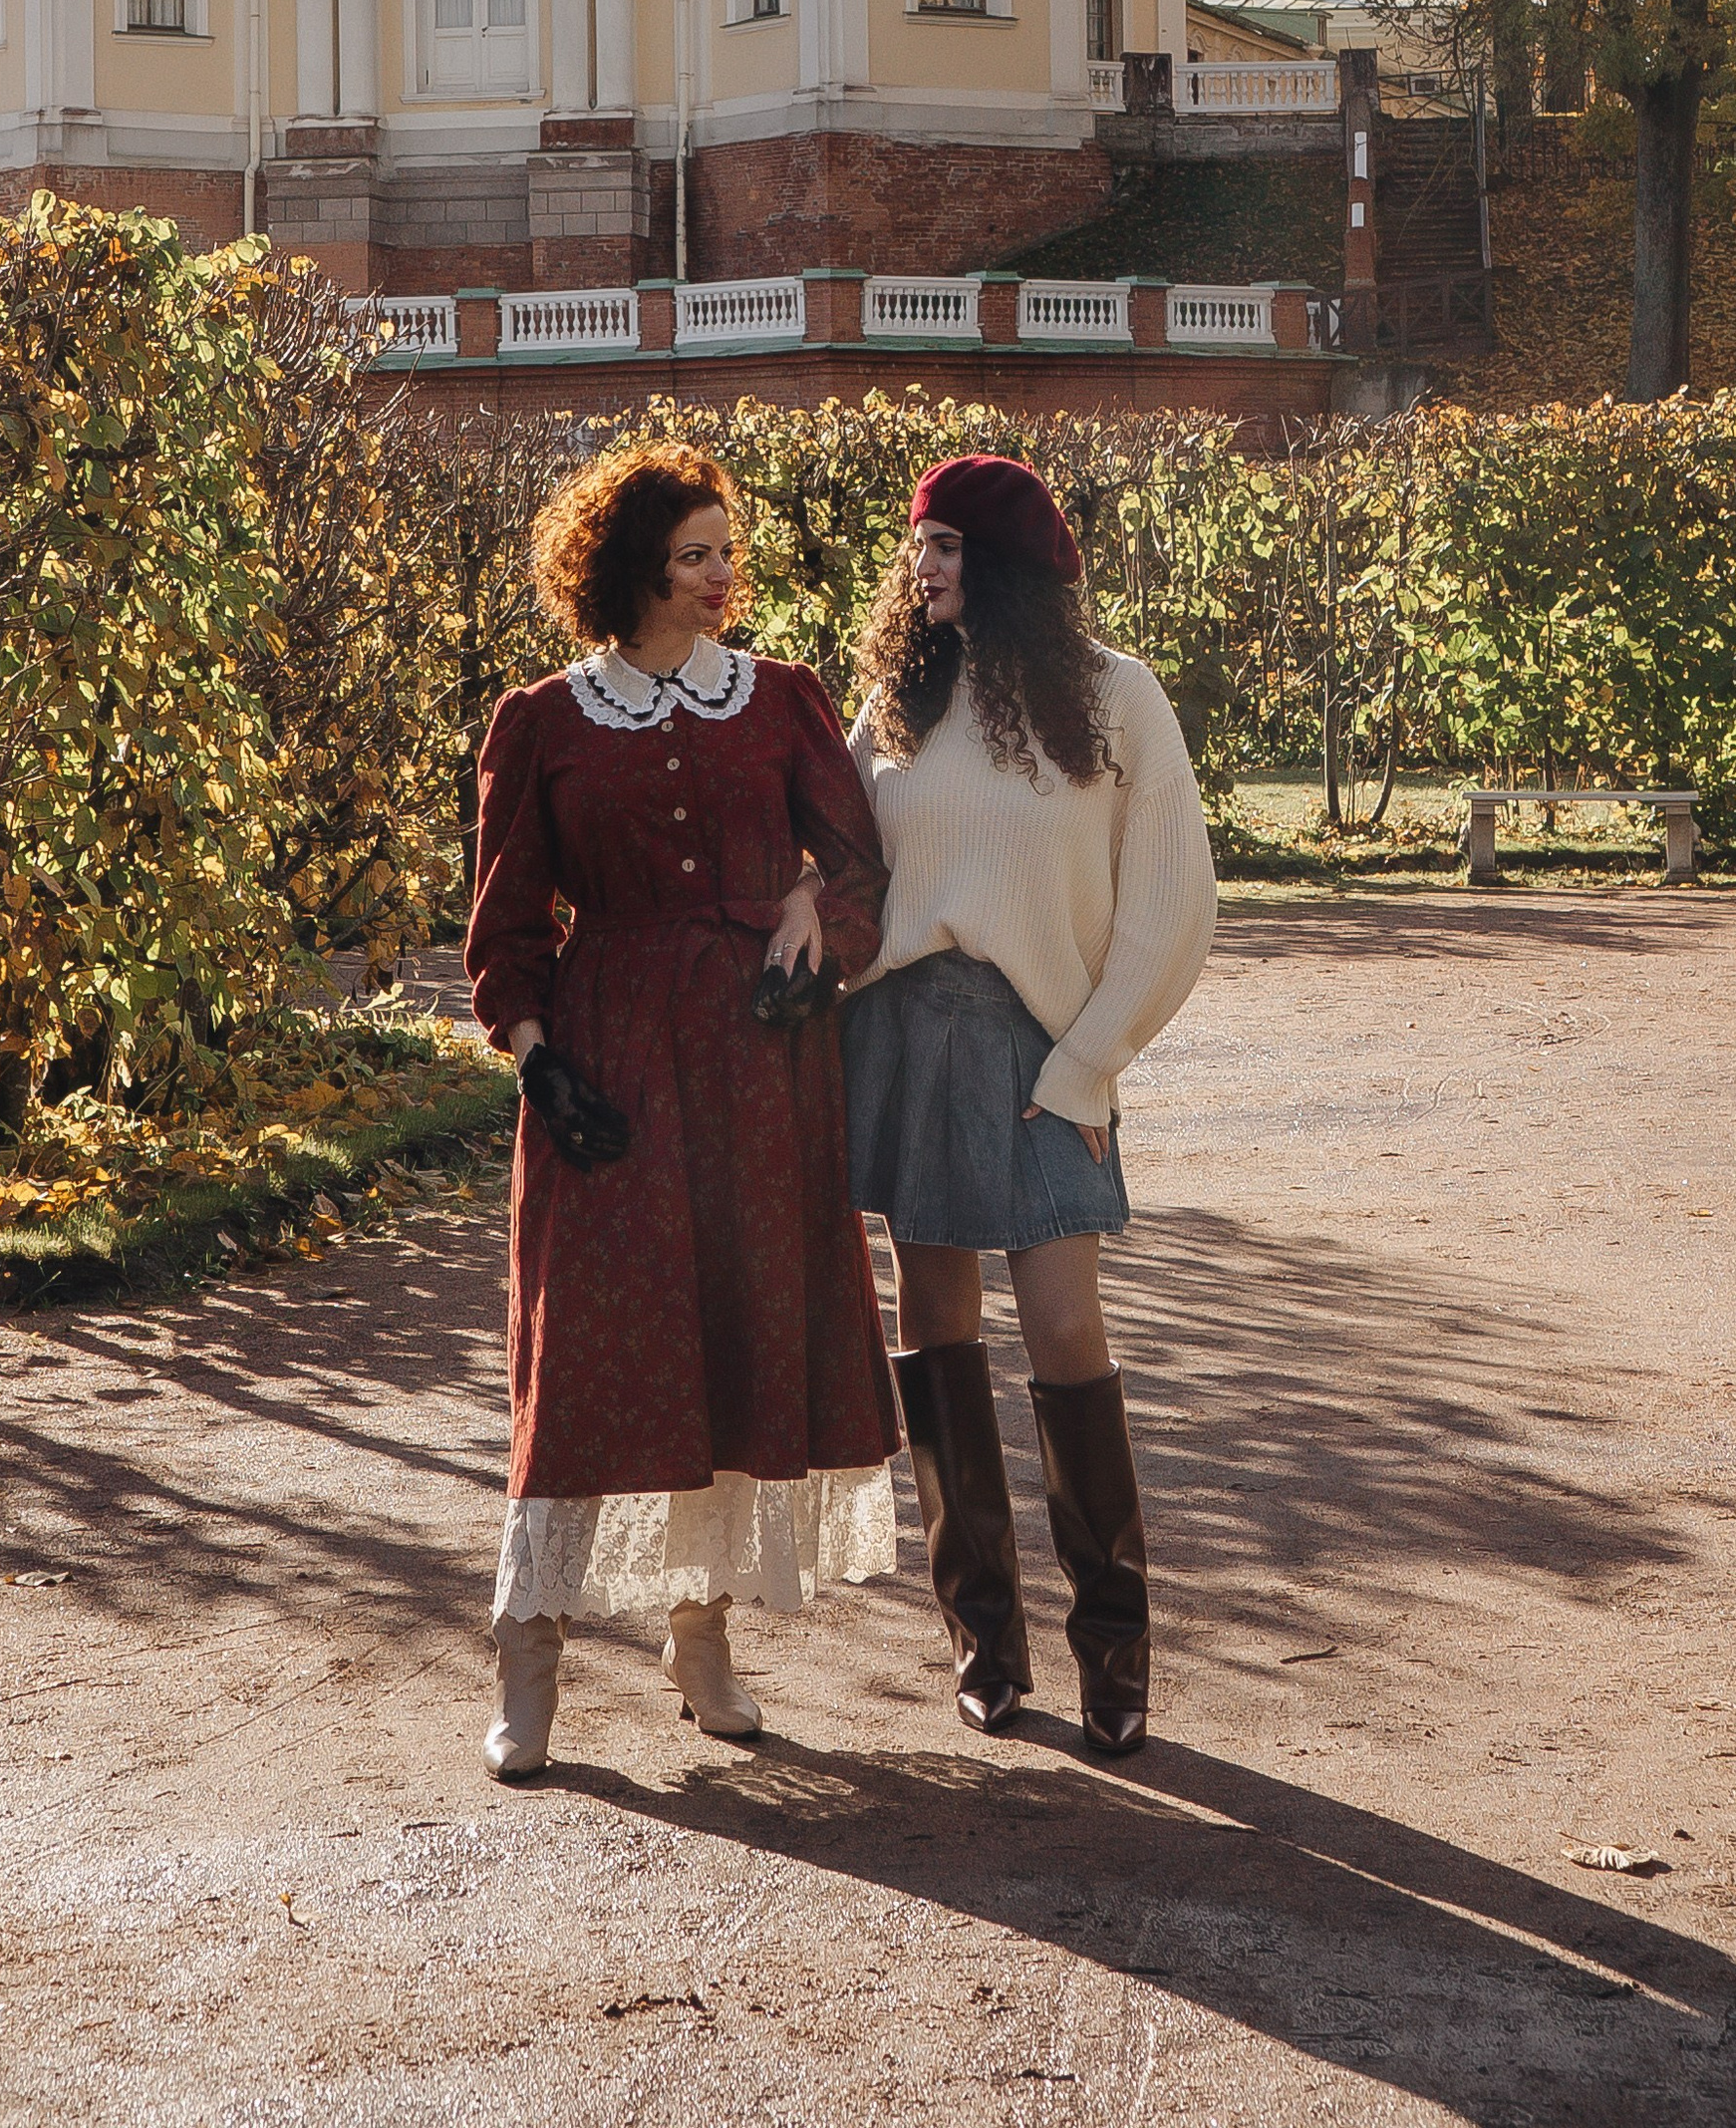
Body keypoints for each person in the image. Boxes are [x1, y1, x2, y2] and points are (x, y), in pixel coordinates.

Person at [464, 437, 901, 1782]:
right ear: (630, 566)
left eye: (728, 550)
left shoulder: (782, 700)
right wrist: (535, 1057)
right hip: (604, 1061)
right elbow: (506, 921)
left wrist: (804, 915)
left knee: (730, 1342)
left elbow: (863, 869)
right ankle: (526, 1655)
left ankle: (700, 1642)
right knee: (588, 1350)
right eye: (695, 553)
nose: (722, 576)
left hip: (756, 1071)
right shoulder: (542, 719)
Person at [840, 452, 1216, 1757]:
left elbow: (1177, 906)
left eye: (943, 548)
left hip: (1045, 1056)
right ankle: (983, 1638)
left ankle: (1115, 1649)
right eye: (918, 549)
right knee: (934, 1322)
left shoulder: (1118, 702)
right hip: (903, 1042)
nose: (921, 569)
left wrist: (1087, 1065)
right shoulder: (896, 701)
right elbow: (837, 866)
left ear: (1000, 565)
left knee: (1065, 1326)